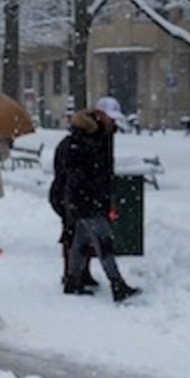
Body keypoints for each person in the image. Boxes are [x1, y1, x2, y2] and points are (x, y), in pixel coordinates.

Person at [62, 108, 142, 302]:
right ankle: (117, 284)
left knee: (80, 242)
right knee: (104, 243)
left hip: (79, 201)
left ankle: (72, 281)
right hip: (89, 201)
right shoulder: (89, 144)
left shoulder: (76, 141)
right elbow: (93, 172)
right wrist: (98, 197)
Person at [49, 128, 98, 288]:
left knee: (73, 234)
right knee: (75, 235)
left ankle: (76, 272)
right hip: (71, 197)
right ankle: (74, 274)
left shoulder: (67, 144)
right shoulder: (78, 146)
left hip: (64, 195)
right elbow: (75, 174)